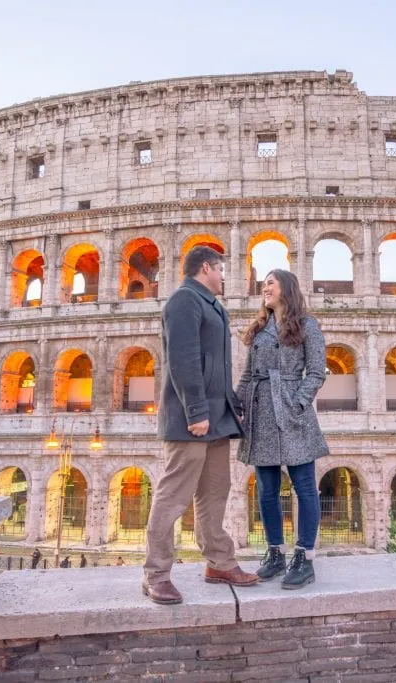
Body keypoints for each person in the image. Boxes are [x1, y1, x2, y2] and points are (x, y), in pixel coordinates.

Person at [142, 245, 260, 605]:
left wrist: (232, 406)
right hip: (192, 420)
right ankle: (156, 574)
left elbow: (217, 366)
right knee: (173, 496)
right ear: (205, 267)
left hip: (217, 418)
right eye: (221, 269)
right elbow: (184, 360)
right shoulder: (183, 301)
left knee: (215, 493)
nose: (225, 276)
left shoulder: (211, 305)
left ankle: (219, 562)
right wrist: (195, 412)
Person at [236, 269, 328, 589]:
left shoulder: (307, 325)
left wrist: (298, 403)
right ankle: (275, 552)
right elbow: (248, 375)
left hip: (291, 410)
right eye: (264, 285)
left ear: (286, 288)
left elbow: (316, 372)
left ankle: (304, 556)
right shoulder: (260, 330)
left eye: (271, 283)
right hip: (261, 410)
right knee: (266, 488)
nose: (265, 288)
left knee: (303, 485)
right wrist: (237, 405)